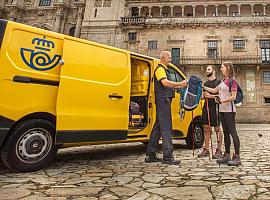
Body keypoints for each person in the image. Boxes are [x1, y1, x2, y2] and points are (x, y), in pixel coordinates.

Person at [145, 51, 187, 165]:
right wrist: (180, 84)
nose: (170, 59)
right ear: (163, 57)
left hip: (163, 101)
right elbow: (165, 83)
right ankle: (168, 157)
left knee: (158, 127)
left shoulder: (164, 69)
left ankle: (150, 154)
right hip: (163, 101)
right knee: (166, 128)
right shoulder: (160, 69)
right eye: (169, 57)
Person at [203, 61, 241, 166]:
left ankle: (237, 156)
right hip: (222, 111)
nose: (221, 69)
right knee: (226, 133)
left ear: (228, 68)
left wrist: (221, 101)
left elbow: (233, 97)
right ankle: (227, 155)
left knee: (233, 132)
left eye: (222, 67)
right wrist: (202, 86)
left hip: (230, 111)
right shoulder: (223, 81)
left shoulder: (232, 81)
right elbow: (214, 90)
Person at [198, 65, 223, 159]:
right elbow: (202, 96)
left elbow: (220, 96)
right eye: (206, 70)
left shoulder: (219, 82)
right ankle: (206, 149)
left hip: (215, 107)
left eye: (209, 69)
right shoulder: (205, 83)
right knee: (206, 128)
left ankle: (219, 150)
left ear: (214, 71)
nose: (207, 71)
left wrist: (210, 96)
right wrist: (202, 96)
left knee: (217, 128)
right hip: (206, 107)